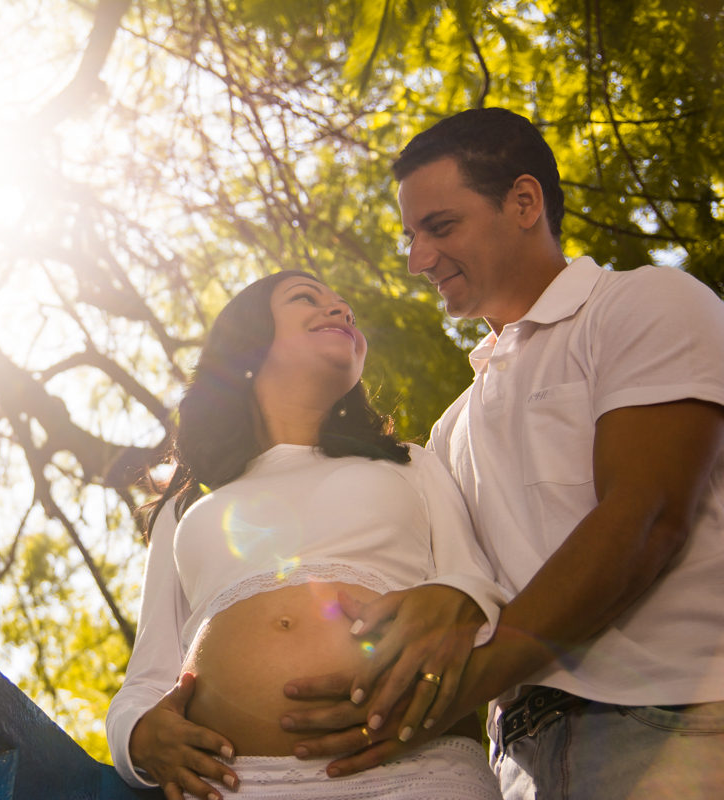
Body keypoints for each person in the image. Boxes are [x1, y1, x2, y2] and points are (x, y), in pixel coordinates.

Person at [277, 108, 724, 800]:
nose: (418, 259)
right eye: (410, 236)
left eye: (441, 227)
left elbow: (646, 517)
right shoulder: (449, 434)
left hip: (678, 729)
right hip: (519, 771)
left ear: (523, 202)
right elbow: (457, 595)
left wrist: (448, 687)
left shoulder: (641, 304)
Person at [106, 270, 508, 800]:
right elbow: (145, 680)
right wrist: (136, 739)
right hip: (231, 785)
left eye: (347, 309)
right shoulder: (187, 508)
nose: (341, 311)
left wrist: (457, 595)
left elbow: (479, 588)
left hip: (415, 772)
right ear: (247, 346)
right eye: (307, 298)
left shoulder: (409, 464)